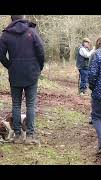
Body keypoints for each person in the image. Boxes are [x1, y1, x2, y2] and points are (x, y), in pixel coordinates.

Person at [0, 15, 45, 144]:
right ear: (23, 17)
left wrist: (10, 66)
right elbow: (41, 51)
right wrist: (38, 67)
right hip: (31, 73)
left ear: (11, 18)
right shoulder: (31, 32)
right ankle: (30, 135)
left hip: (15, 73)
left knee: (16, 104)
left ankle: (18, 135)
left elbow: (1, 54)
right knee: (30, 104)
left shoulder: (6, 35)